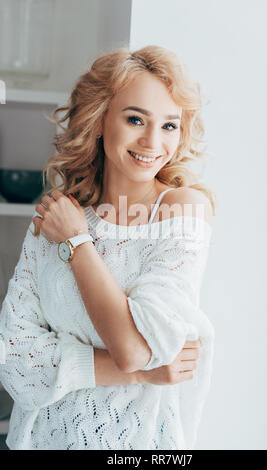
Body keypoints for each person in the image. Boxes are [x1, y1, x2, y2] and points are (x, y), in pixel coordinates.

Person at [0, 45, 216, 450]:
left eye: (169, 125)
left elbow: (133, 349)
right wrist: (137, 375)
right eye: (136, 119)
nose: (153, 141)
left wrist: (78, 244)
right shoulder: (57, 218)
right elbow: (15, 362)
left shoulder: (180, 210)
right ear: (100, 120)